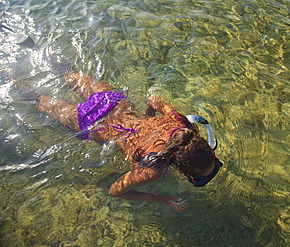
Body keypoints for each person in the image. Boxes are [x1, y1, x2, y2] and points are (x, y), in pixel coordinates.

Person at [1, 30, 223, 212]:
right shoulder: (152, 170)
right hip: (95, 124)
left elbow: (155, 101)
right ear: (183, 171)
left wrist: (147, 114)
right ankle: (6, 77)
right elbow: (116, 190)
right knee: (39, 100)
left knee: (69, 73)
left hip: (114, 102)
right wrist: (161, 198)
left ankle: (35, 47)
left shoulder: (181, 124)